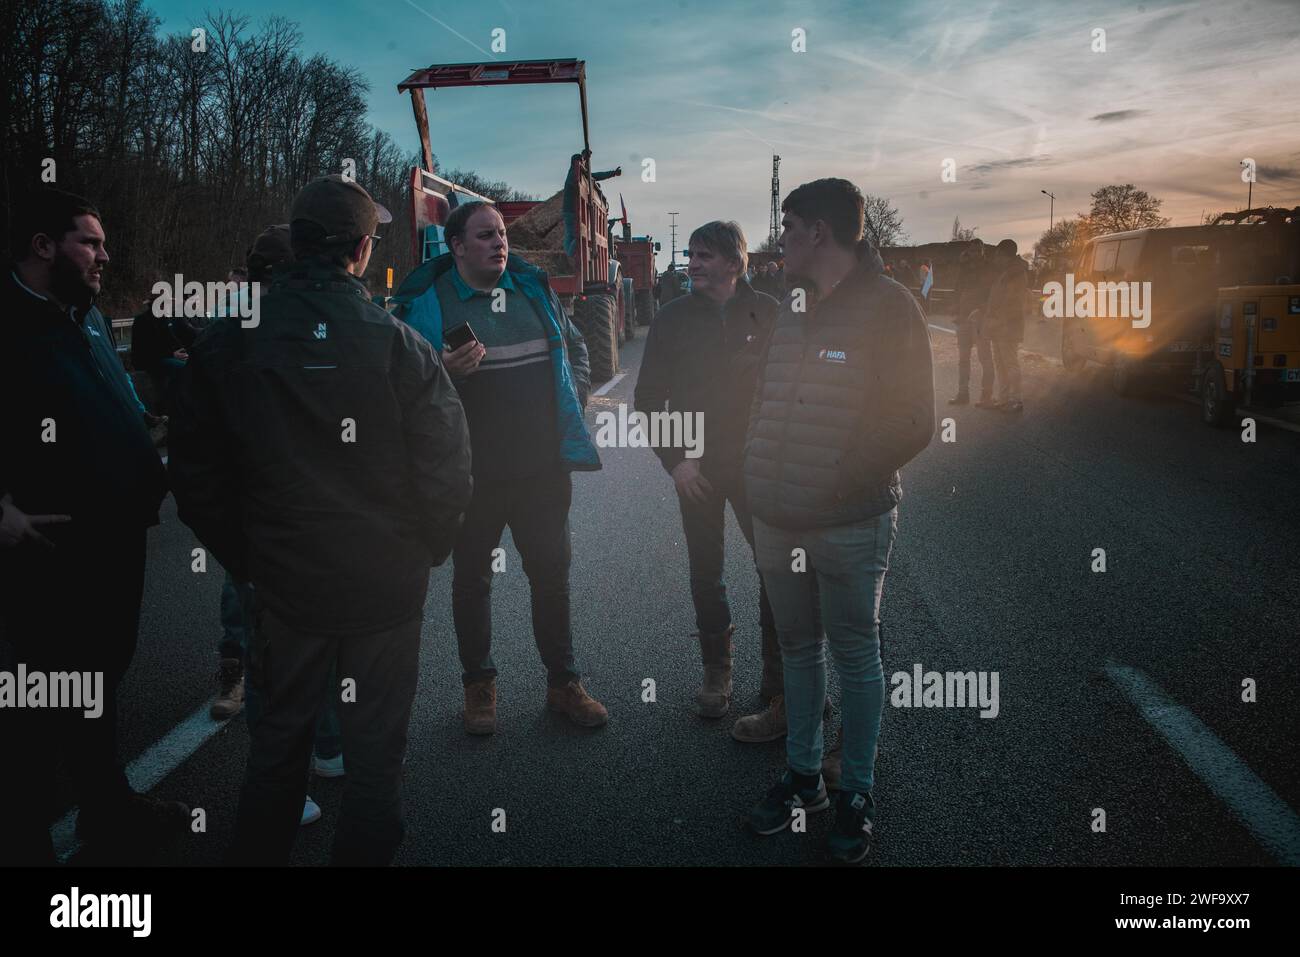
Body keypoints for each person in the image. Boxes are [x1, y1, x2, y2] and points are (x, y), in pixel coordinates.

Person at [170, 174, 473, 865]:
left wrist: (248, 557)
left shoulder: (228, 344)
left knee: (277, 754)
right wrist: (422, 549)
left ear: (297, 240)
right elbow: (449, 470)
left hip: (283, 587)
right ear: (363, 251)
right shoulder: (402, 346)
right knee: (375, 763)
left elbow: (193, 473)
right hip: (383, 589)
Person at [742, 178, 935, 864]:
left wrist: (838, 476)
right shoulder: (790, 304)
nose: (779, 239)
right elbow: (768, 390)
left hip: (848, 516)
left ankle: (855, 790)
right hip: (775, 512)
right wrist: (757, 467)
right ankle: (802, 778)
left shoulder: (891, 307)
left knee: (855, 652)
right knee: (797, 647)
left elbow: (916, 417)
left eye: (788, 226)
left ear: (820, 232)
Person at [0, 187, 188, 865]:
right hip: (51, 555)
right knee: (40, 706)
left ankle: (107, 808)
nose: (106, 255)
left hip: (117, 542)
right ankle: (24, 843)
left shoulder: (84, 318)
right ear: (44, 246)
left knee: (100, 682)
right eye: (91, 242)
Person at [391, 201, 607, 735]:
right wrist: (441, 369)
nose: (499, 243)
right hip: (469, 476)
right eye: (486, 235)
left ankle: (564, 683)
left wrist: (574, 395)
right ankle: (479, 687)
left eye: (503, 234)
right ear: (457, 246)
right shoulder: (426, 302)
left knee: (552, 579)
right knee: (471, 582)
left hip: (541, 472)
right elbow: (392, 384)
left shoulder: (533, 291)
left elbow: (577, 352)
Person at [633, 221, 784, 721]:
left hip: (757, 463)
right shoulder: (672, 317)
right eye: (691, 254)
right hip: (695, 466)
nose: (693, 263)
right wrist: (675, 460)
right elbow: (650, 397)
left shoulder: (770, 314)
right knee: (706, 568)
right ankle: (717, 671)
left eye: (705, 255)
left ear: (735, 262)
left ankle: (778, 678)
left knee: (774, 570)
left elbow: (788, 392)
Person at [981, 239, 1028, 414]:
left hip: (1008, 326)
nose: (996, 258)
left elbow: (1013, 303)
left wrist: (997, 319)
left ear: (1005, 255)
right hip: (998, 326)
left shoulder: (1016, 274)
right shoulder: (1006, 272)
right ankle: (1004, 399)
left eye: (998, 254)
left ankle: (1016, 400)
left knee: (1010, 363)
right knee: (1000, 364)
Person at [950, 246, 995, 406]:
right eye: (972, 250)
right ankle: (963, 394)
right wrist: (956, 311)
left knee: (984, 358)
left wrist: (982, 310)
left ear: (981, 252)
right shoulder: (965, 269)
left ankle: (986, 396)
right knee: (964, 359)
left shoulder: (988, 269)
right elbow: (957, 291)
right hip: (964, 318)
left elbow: (992, 294)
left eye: (977, 250)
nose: (974, 254)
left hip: (979, 319)